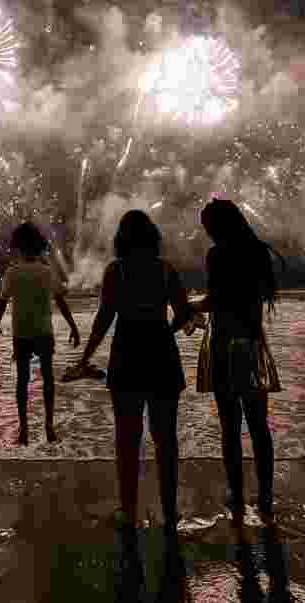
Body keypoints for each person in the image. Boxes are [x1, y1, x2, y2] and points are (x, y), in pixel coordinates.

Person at [75, 210, 194, 540]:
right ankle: (170, 513)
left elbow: (104, 319)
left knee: (127, 441)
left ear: (121, 240)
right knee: (165, 440)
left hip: (126, 359)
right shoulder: (166, 270)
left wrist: (85, 356)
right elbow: (184, 316)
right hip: (162, 358)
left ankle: (128, 512)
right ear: (153, 237)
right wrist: (165, 329)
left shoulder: (117, 271)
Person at [190, 198, 281, 525]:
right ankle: (266, 495)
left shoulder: (218, 254)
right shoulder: (256, 252)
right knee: (259, 427)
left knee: (230, 427)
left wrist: (190, 308)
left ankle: (236, 494)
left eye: (208, 227)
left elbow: (217, 299)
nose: (207, 233)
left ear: (218, 226)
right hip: (252, 344)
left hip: (225, 346)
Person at [0, 222, 81, 445]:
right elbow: (61, 301)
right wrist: (73, 327)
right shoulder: (46, 272)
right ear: (39, 247)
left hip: (21, 333)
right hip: (43, 332)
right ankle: (49, 426)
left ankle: (24, 428)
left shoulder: (12, 272)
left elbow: (2, 302)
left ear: (18, 247)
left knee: (22, 381)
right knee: (48, 379)